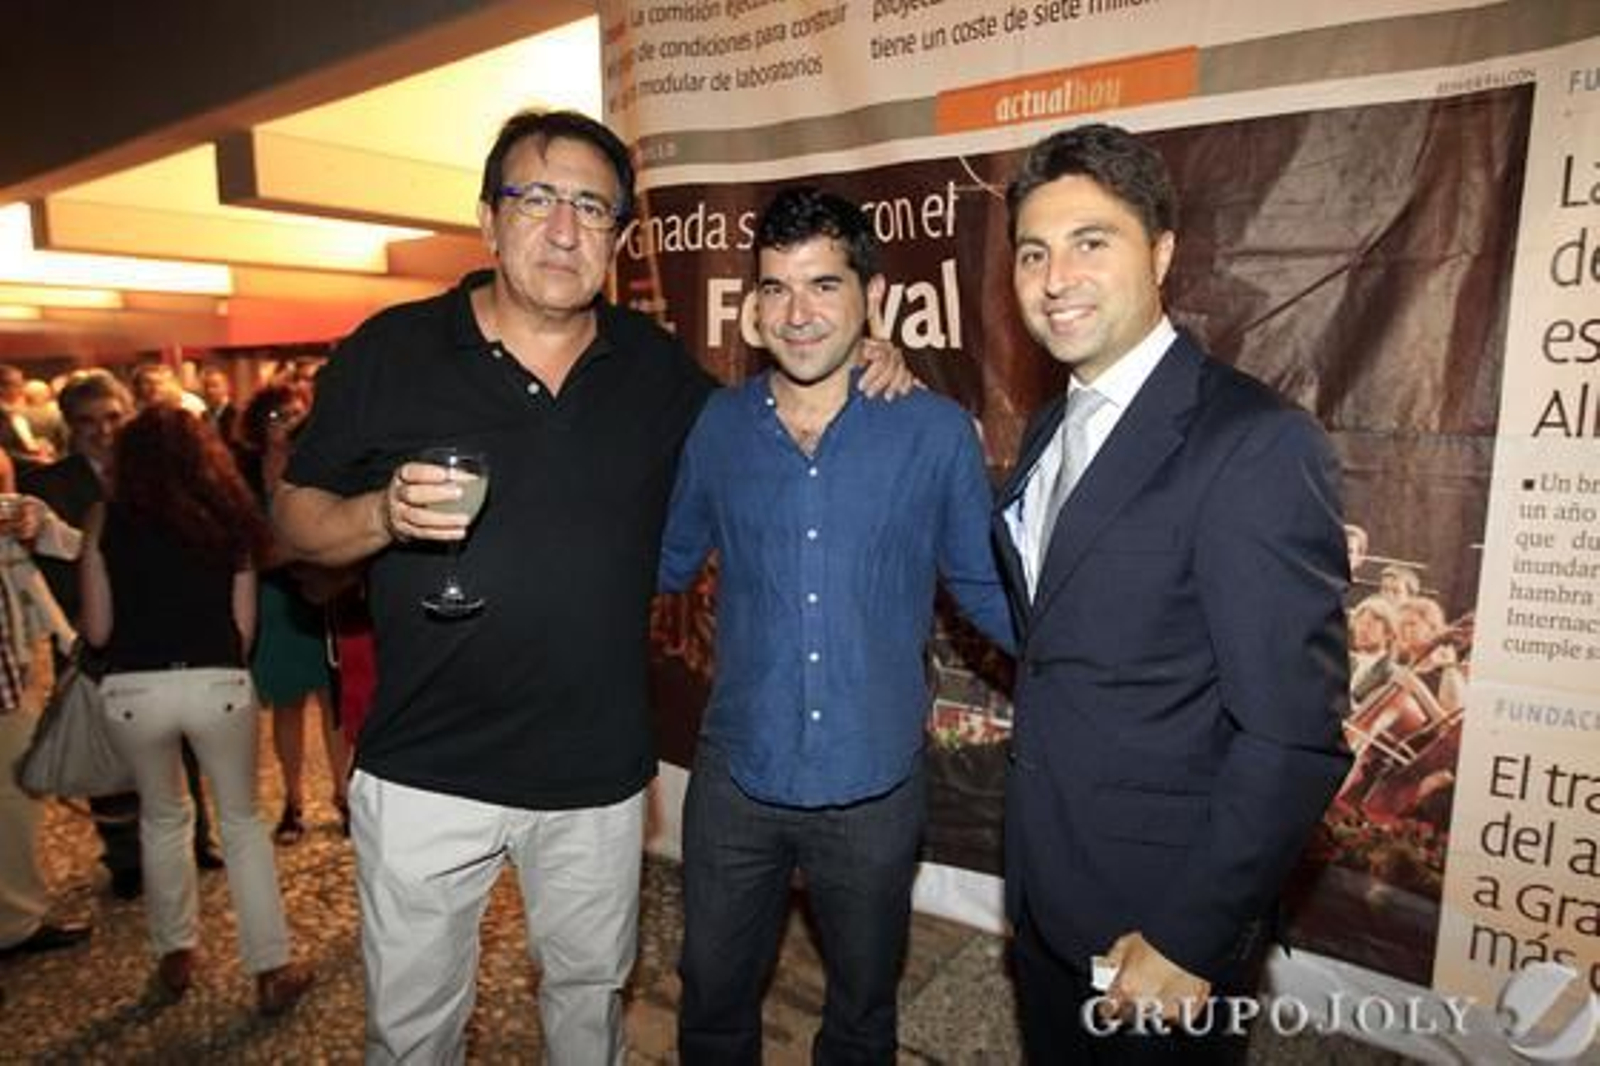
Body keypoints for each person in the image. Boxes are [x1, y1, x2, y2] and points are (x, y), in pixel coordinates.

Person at [271, 109, 912, 1063]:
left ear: (617, 237)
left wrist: (858, 361)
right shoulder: (391, 350)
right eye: (537, 199)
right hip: (424, 770)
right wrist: (382, 517)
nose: (564, 229)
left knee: (588, 1012)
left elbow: (764, 420)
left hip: (595, 778)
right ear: (489, 220)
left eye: (592, 207)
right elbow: (290, 527)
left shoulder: (652, 369)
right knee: (412, 1036)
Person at [993, 123, 1351, 1062]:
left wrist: (1192, 935)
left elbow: (1293, 734)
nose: (1056, 275)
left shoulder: (1252, 442)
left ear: (1160, 252)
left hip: (1156, 925)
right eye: (1034, 252)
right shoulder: (1048, 430)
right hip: (1045, 892)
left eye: (1090, 241)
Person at [660, 187, 1013, 1064]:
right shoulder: (718, 426)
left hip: (873, 787)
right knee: (711, 1004)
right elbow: (659, 565)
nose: (797, 312)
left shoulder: (932, 432)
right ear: (751, 305)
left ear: (872, 297)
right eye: (775, 288)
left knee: (861, 1018)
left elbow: (983, 584)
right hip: (738, 778)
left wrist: (1099, 666)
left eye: (823, 285)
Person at [79, 405, 312, 1014]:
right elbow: (243, 630)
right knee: (240, 824)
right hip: (216, 682)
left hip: (134, 692)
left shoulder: (105, 518)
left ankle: (176, 953)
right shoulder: (229, 520)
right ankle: (270, 968)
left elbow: (98, 630)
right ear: (202, 456)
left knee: (161, 819)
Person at [20, 370, 223, 897]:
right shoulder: (47, 485)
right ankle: (127, 859)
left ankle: (196, 839)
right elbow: (49, 566)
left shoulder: (163, 476)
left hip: (160, 635)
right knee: (105, 748)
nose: (102, 430)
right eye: (87, 422)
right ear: (69, 426)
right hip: (87, 636)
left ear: (128, 415)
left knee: (180, 744)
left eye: (112, 417)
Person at [235, 384, 344, 844]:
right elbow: (243, 540)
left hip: (320, 594)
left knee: (332, 702)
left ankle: (344, 795)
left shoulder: (321, 464)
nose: (286, 422)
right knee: (286, 704)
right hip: (272, 600)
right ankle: (293, 801)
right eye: (277, 415)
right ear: (259, 426)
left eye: (295, 414)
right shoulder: (242, 473)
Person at [0, 452, 92, 964]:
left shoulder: (14, 509)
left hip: (9, 675)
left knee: (15, 799)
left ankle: (14, 919)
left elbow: (72, 546)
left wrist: (38, 523)